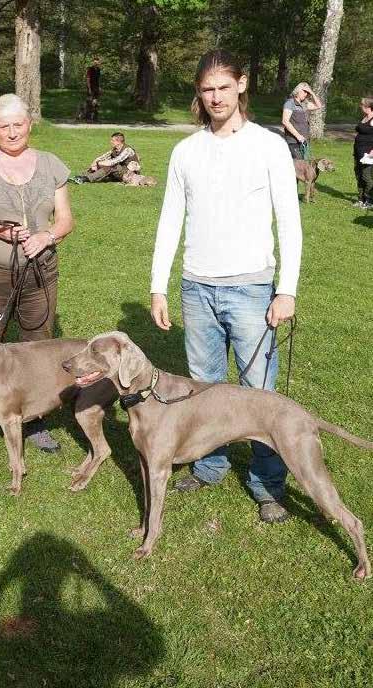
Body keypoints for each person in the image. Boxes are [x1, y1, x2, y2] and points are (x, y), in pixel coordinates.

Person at [150, 50, 302, 523]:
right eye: (206, 89)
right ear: (200, 93)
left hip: (254, 288)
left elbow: (289, 223)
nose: (215, 97)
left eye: (222, 87)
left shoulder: (269, 146)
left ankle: (267, 483)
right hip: (197, 287)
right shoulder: (186, 151)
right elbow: (170, 220)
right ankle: (210, 464)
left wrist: (287, 289)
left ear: (241, 84)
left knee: (260, 395)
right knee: (204, 390)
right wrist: (159, 285)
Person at [0, 93, 74, 458]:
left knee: (38, 347)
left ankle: (35, 418)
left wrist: (47, 236)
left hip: (40, 272)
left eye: (17, 124)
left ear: (30, 125)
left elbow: (66, 218)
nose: (10, 132)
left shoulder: (52, 164)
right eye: (3, 126)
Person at [72, 132, 140, 184]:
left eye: (113, 141)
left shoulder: (127, 150)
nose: (111, 142)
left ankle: (86, 179)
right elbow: (105, 156)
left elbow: (116, 160)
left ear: (118, 142)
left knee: (111, 166)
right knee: (105, 163)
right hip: (120, 172)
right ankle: (82, 176)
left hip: (130, 174)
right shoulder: (115, 149)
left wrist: (101, 163)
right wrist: (96, 161)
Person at [282, 82, 322, 160]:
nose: (306, 94)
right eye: (304, 91)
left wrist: (312, 93)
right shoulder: (290, 103)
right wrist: (298, 136)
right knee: (297, 167)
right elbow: (285, 121)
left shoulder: (305, 104)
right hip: (293, 141)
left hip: (304, 141)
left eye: (307, 92)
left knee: (304, 166)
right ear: (298, 90)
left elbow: (318, 105)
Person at [352, 96, 373, 209]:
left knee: (366, 176)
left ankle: (369, 201)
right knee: (359, 175)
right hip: (358, 151)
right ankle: (361, 199)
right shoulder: (364, 117)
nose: (360, 107)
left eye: (362, 105)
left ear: (368, 107)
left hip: (368, 153)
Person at [84, 57, 101, 123]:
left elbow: (98, 80)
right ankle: (88, 118)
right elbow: (88, 79)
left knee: (96, 103)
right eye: (95, 62)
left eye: (97, 62)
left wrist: (99, 87)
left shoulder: (98, 70)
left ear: (99, 63)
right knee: (90, 103)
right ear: (93, 62)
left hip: (96, 88)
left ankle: (95, 118)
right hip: (91, 87)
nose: (96, 63)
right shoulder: (90, 69)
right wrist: (89, 88)